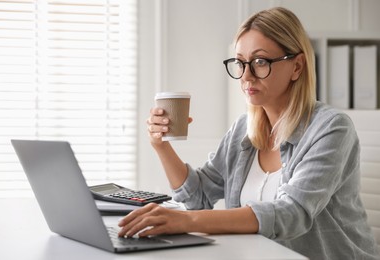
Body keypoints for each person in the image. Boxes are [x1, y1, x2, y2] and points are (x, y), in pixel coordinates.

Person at [118, 7, 379, 260]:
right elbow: (199, 196)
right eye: (240, 63)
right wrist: (161, 145)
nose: (246, 76)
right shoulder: (243, 130)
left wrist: (185, 221)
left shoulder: (332, 128)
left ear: (297, 66)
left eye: (260, 62)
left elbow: (292, 213)